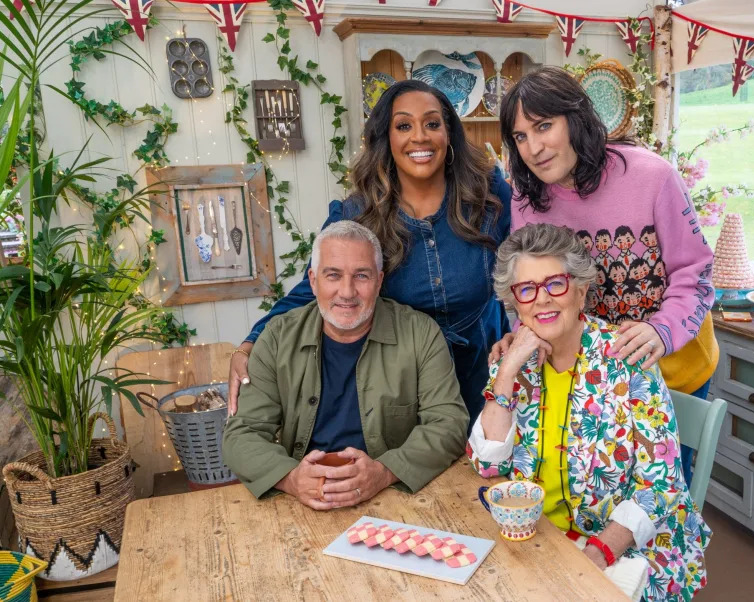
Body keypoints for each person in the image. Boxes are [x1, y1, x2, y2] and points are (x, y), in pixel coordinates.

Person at [228, 80, 512, 426]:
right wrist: (248, 344)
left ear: (449, 134)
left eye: (433, 124)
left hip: (486, 369)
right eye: (404, 125)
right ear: (386, 139)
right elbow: (313, 288)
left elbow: (528, 263)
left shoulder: (490, 196)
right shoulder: (357, 214)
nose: (420, 136)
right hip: (404, 382)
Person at [491, 67, 718, 483]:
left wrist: (663, 330)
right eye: (520, 137)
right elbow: (521, 284)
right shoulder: (528, 201)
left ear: (575, 119)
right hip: (593, 380)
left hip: (673, 368)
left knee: (662, 492)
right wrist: (525, 334)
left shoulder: (653, 177)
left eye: (544, 126)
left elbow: (696, 272)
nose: (534, 148)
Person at [468, 224, 709, 601]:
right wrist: (507, 372)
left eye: (556, 284)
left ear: (581, 291)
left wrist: (594, 557)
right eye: (527, 289)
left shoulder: (628, 358)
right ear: (515, 303)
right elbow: (487, 466)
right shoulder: (515, 361)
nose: (542, 300)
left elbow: (659, 486)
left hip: (623, 549)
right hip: (536, 537)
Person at [223, 221, 469, 508]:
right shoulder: (277, 337)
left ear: (379, 281)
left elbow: (449, 424)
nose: (347, 291)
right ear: (313, 281)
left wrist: (385, 472)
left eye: (361, 276)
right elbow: (242, 434)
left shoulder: (420, 333)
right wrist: (291, 479)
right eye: (333, 275)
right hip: (303, 501)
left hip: (393, 498)